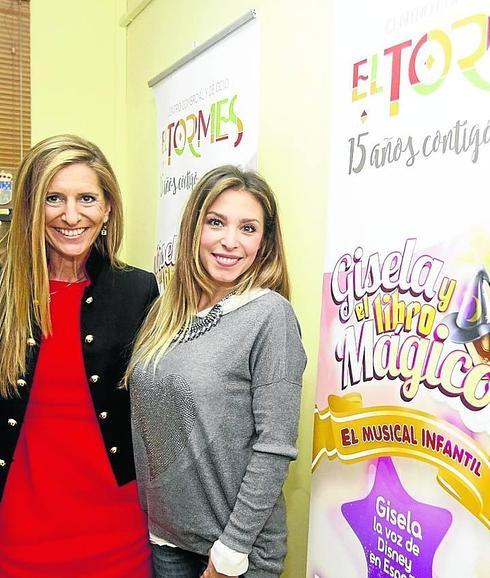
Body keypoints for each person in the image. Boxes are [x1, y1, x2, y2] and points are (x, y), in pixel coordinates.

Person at [128, 165, 307, 578]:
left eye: (248, 228)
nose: (230, 241)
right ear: (194, 228)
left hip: (233, 554)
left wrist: (230, 552)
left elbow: (275, 445)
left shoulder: (270, 315)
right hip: (167, 541)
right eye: (216, 222)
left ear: (264, 242)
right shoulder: (166, 312)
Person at [0, 134, 159, 577]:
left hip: (119, 533)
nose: (71, 216)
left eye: (86, 198)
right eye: (54, 198)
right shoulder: (5, 292)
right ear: (31, 207)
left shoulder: (138, 291)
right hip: (18, 535)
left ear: (107, 208)